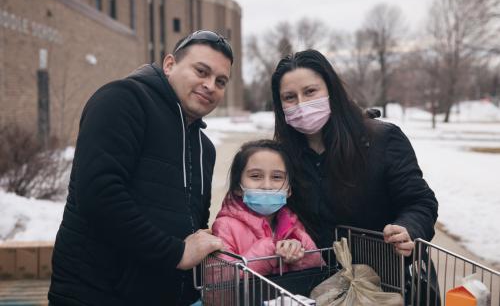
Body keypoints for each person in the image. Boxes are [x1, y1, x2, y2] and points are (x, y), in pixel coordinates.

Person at [48, 30, 233, 306]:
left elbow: (194, 225)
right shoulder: (123, 100)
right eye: (201, 71)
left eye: (220, 81)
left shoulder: (204, 147)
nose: (210, 85)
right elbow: (99, 196)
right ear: (169, 65)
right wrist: (176, 253)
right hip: (96, 294)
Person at [270, 49, 439, 257]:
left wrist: (408, 229)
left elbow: (420, 202)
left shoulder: (382, 140)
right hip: (314, 282)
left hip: (383, 278)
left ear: (331, 90)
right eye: (289, 97)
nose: (301, 104)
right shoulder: (281, 157)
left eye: (310, 92)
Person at [212, 139, 324, 275]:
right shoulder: (225, 227)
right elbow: (220, 283)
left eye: (277, 177)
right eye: (255, 176)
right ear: (237, 187)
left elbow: (317, 271)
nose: (267, 185)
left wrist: (300, 252)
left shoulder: (294, 225)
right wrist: (270, 250)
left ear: (289, 190)